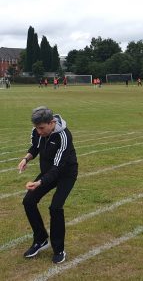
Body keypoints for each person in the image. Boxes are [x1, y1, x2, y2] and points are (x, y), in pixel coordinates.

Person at [18, 106, 78, 264]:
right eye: (36, 128)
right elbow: (35, 148)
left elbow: (57, 168)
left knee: (55, 207)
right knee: (28, 201)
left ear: (51, 123)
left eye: (41, 128)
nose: (38, 131)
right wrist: (26, 159)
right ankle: (41, 239)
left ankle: (59, 249)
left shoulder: (64, 136)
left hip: (65, 174)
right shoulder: (37, 131)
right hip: (47, 173)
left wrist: (40, 182)